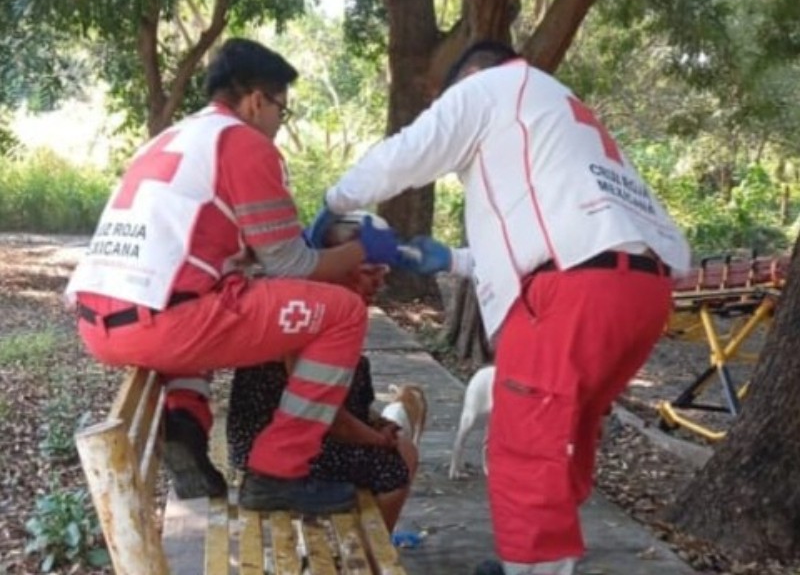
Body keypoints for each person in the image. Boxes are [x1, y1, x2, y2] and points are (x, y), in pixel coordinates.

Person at [313, 40, 691, 574]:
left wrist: (333, 203)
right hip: (640, 293)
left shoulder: (490, 86)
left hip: (572, 293)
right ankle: (545, 563)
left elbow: (405, 152)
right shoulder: (557, 108)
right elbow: (550, 237)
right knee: (566, 436)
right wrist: (451, 259)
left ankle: (534, 567)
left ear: (469, 76)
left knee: (523, 448)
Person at [64, 38, 404, 515]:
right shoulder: (244, 143)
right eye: (282, 110)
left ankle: (185, 421)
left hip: (100, 323)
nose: (279, 125)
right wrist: (363, 249)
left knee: (213, 291)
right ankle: (278, 471)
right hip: (163, 324)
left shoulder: (171, 138)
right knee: (343, 313)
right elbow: (290, 266)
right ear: (257, 101)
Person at [228, 217, 418, 530]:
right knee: (393, 468)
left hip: (299, 435)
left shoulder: (327, 307)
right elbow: (326, 416)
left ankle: (365, 545)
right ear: (336, 265)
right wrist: (376, 438)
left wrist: (375, 423)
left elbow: (328, 403)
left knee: (403, 448)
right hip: (272, 451)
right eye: (368, 272)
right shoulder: (308, 310)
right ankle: (367, 551)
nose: (378, 284)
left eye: (382, 274)